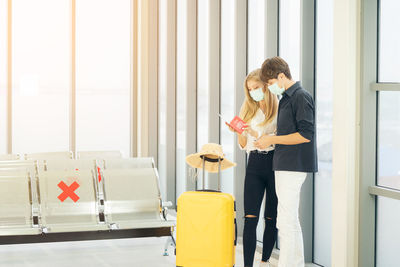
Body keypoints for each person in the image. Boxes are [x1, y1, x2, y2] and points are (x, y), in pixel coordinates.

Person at [255, 57, 318, 267]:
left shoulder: (300, 97)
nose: (270, 88)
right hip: (285, 164)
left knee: (286, 222)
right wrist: (271, 135)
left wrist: (272, 139)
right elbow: (291, 132)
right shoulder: (286, 99)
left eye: (271, 83)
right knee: (289, 221)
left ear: (281, 76)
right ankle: (295, 264)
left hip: (293, 165)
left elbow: (305, 135)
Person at [226, 69, 278, 267]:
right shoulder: (248, 108)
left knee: (271, 217)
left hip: (274, 164)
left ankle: (265, 261)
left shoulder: (279, 107)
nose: (253, 92)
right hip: (254, 164)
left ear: (265, 85)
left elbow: (277, 139)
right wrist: (239, 132)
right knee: (250, 217)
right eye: (250, 89)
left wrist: (256, 132)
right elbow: (242, 145)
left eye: (256, 87)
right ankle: (247, 265)